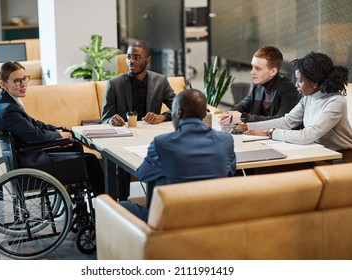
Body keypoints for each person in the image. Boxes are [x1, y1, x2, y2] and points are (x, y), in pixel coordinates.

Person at [120, 89, 237, 221]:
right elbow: (231, 172)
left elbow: (143, 175)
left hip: (173, 220)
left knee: (121, 206)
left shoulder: (162, 143)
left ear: (179, 112)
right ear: (204, 114)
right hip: (213, 218)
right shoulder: (226, 140)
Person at [0, 61, 105, 195]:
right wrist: (58, 137)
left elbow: (35, 124)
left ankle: (82, 204)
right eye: (17, 81)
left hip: (29, 155)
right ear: (4, 84)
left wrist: (58, 131)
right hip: (32, 163)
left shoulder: (7, 102)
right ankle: (103, 205)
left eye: (24, 79)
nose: (23, 84)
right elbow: (35, 135)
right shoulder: (9, 110)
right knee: (90, 160)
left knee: (73, 148)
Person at [239, 52, 352, 163]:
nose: (296, 85)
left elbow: (307, 136)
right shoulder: (308, 98)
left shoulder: (336, 101)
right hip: (319, 151)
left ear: (315, 83)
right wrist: (247, 127)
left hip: (341, 157)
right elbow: (287, 121)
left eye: (300, 81)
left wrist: (271, 132)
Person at [101, 40, 177, 200]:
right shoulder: (114, 84)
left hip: (151, 138)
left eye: (136, 57)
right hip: (124, 140)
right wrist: (111, 120)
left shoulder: (160, 81)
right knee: (118, 161)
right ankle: (120, 204)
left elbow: (177, 107)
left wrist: (162, 116)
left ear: (148, 59)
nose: (131, 61)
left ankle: (161, 201)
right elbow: (105, 117)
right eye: (128, 57)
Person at [219, 46, 301, 125]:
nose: (252, 72)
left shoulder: (288, 89)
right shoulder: (259, 86)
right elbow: (243, 105)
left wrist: (243, 117)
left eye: (258, 69)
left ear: (273, 71)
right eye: (252, 67)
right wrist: (230, 113)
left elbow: (281, 121)